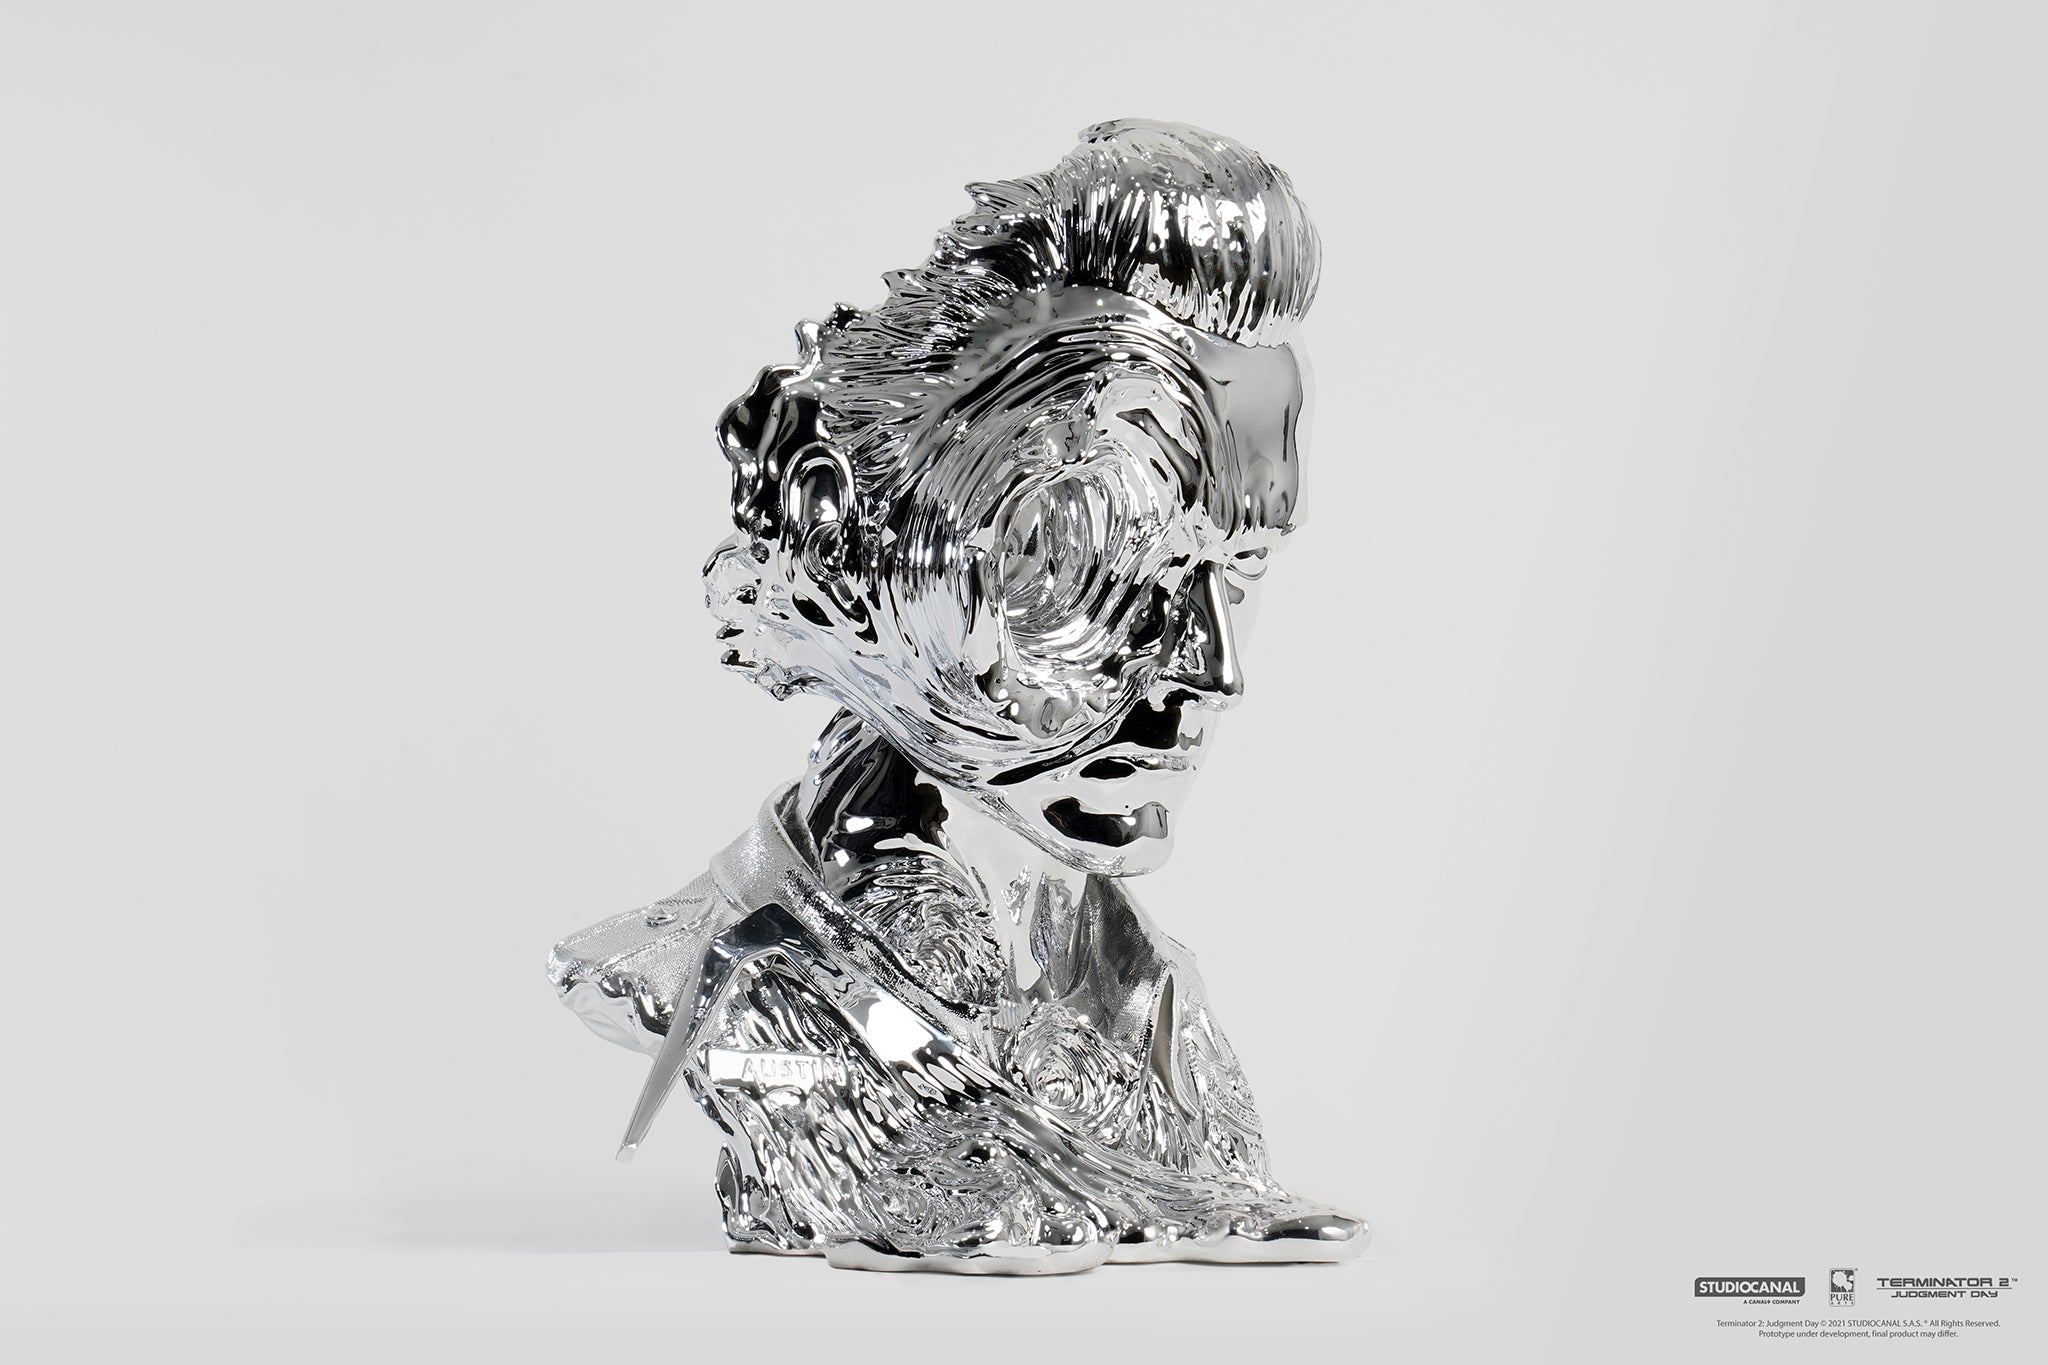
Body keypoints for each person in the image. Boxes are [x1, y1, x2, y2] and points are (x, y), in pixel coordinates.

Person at [550, 120, 1365, 1273]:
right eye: (1094, 568)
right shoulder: (728, 970)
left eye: (1238, 573)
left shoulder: (1149, 999)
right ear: (855, 539)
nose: (1208, 672)